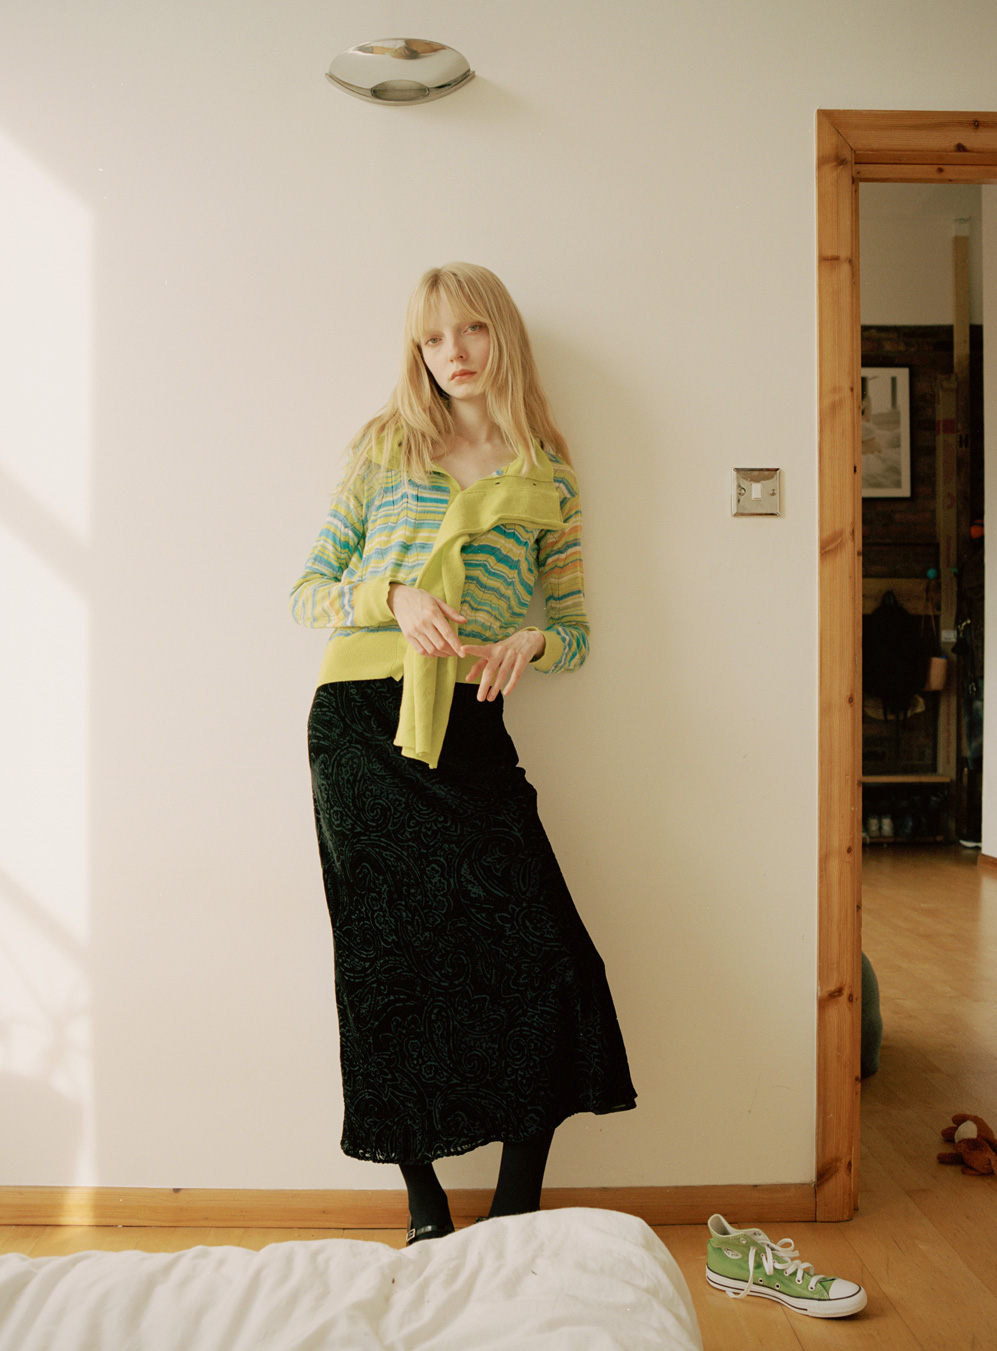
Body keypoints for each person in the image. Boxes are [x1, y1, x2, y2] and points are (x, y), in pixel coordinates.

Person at [290, 262, 636, 1246]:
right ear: (417, 352)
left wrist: (530, 640)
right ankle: (427, 1209)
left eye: (472, 331)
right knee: (388, 962)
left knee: (548, 957)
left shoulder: (547, 472)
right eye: (434, 338)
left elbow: (573, 627)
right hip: (359, 719)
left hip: (469, 724)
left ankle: (515, 1211)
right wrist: (391, 594)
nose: (454, 353)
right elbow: (307, 588)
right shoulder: (385, 448)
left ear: (503, 337)